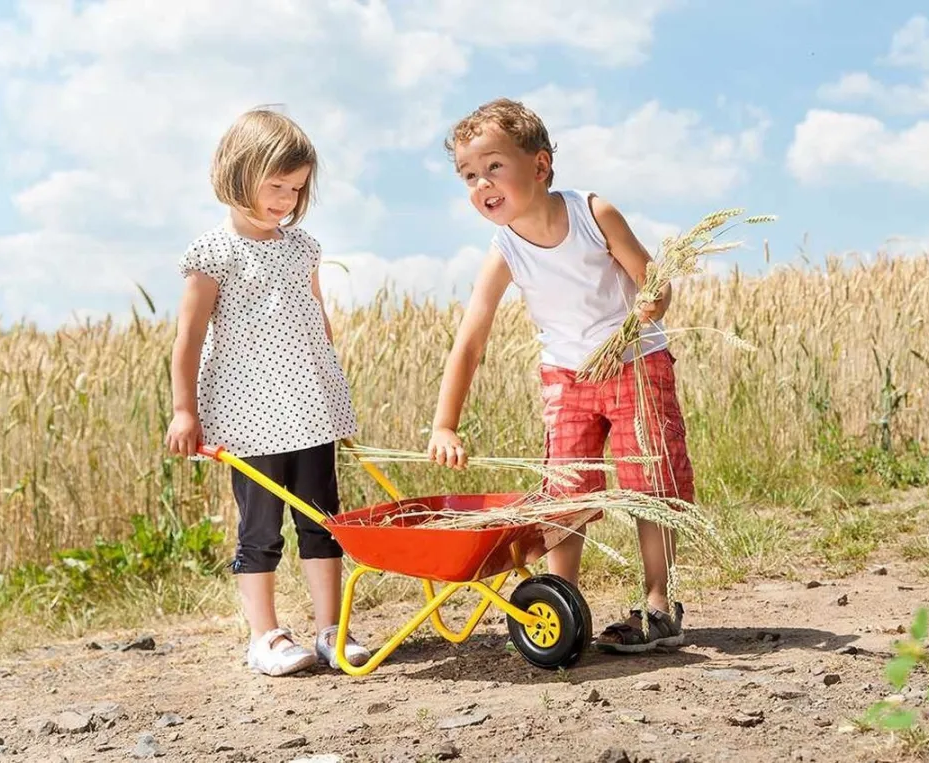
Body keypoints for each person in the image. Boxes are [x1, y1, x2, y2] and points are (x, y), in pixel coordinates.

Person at [427, 98, 695, 653]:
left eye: (494, 167)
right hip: (567, 379)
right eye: (469, 176)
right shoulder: (504, 250)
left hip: (635, 365)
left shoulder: (594, 215)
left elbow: (656, 286)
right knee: (564, 494)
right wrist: (444, 424)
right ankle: (561, 601)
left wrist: (651, 301)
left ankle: (658, 605)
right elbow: (471, 337)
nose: (482, 184)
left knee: (649, 484)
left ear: (540, 165)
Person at [165, 107, 370, 675]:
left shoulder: (302, 247)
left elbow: (316, 320)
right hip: (248, 414)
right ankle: (266, 636)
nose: (286, 200)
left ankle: (332, 627)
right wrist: (185, 411)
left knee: (322, 518)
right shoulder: (215, 252)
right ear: (239, 172)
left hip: (310, 408)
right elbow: (189, 337)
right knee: (260, 527)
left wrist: (334, 390)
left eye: (297, 189)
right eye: (276, 186)